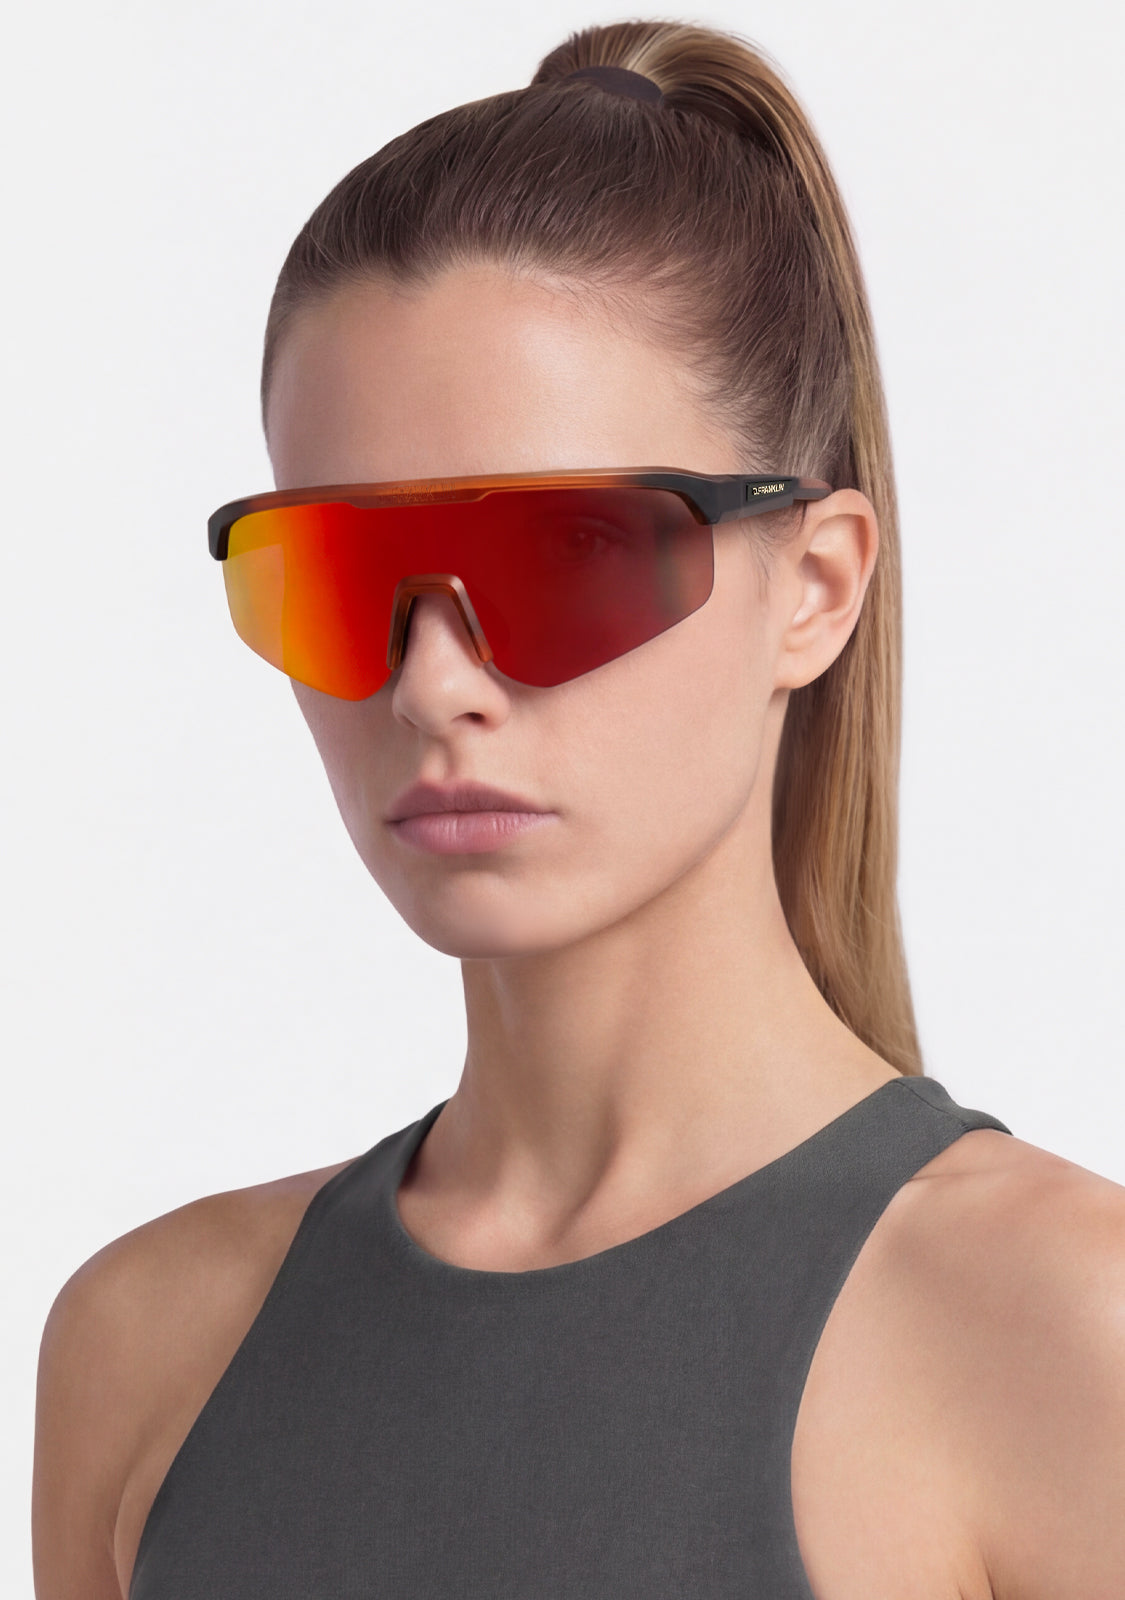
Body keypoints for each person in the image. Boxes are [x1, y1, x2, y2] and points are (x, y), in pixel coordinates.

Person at [32, 18, 1125, 1600]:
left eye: (562, 558)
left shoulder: (1057, 1335)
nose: (431, 685)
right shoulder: (147, 1348)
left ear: (814, 589)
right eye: (337, 575)